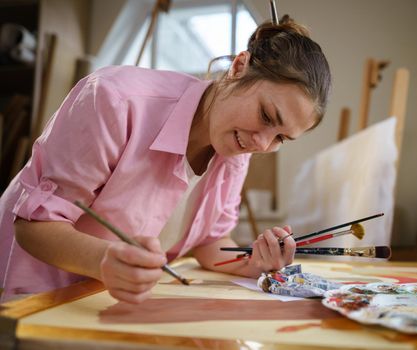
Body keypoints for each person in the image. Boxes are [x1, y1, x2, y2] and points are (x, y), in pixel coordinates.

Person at [0, 15, 331, 304]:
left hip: (107, 304)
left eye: (281, 138)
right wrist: (105, 260)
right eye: (265, 115)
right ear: (239, 67)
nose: (262, 143)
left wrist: (255, 261)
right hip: (36, 298)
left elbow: (211, 243)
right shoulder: (116, 100)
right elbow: (35, 226)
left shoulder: (237, 147)